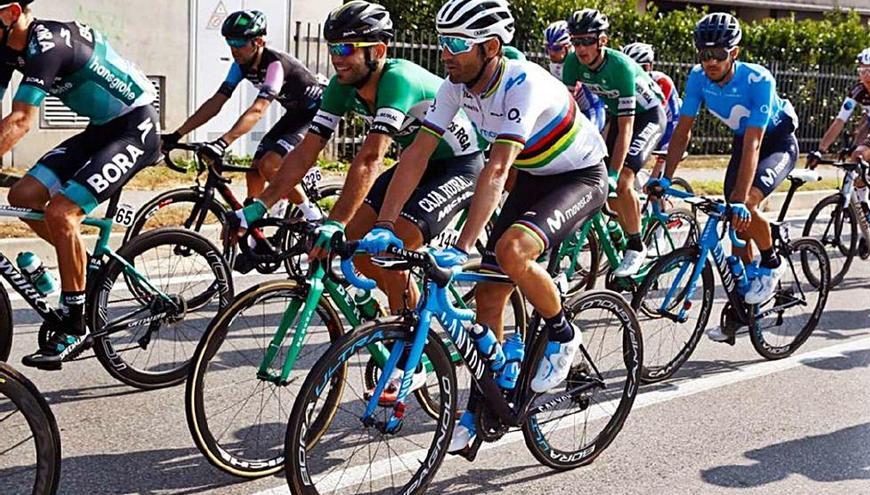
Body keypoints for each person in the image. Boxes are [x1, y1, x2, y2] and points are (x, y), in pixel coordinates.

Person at [361, 0, 608, 453]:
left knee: (512, 252)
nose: (445, 54)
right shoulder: (458, 86)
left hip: (579, 176)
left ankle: (562, 331)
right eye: (442, 42)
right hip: (535, 175)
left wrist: (465, 242)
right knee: (491, 293)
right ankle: (480, 408)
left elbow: (495, 171)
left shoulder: (522, 83)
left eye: (456, 44)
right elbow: (415, 155)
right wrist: (385, 224)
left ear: (491, 46)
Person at [230, 1, 484, 398]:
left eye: (347, 49)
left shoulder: (397, 80)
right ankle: (393, 323)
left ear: (378, 51)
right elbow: (305, 152)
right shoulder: (340, 87)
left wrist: (333, 221)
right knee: (356, 250)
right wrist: (258, 206)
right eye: (333, 49)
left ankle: (409, 356)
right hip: (413, 166)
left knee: (389, 248)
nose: (337, 59)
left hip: (457, 166)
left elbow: (369, 157)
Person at [0, 0, 160, 367]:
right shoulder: (8, 47)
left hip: (136, 127)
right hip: (102, 130)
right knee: (24, 195)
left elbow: (22, 120)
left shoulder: (48, 44)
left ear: (10, 13)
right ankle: (83, 271)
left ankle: (77, 322)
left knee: (62, 212)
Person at [656, 13, 800, 343]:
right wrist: (665, 179)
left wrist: (740, 200)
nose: (710, 62)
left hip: (775, 142)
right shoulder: (697, 78)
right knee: (736, 231)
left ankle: (772, 261)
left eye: (718, 54)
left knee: (744, 202)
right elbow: (682, 131)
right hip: (743, 142)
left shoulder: (758, 79)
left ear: (734, 52)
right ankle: (744, 308)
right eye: (703, 54)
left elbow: (754, 142)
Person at [161, 10, 326, 221]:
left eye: (239, 42)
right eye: (230, 41)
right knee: (254, 171)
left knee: (269, 165)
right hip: (295, 114)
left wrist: (223, 142)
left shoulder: (275, 64)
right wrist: (177, 135)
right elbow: (216, 102)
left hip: (315, 115)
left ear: (258, 41)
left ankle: (311, 213)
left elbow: (258, 109)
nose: (233, 48)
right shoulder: (240, 66)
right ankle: (253, 228)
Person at [562, 9, 667, 278]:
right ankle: (619, 232)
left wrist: (614, 172)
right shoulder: (573, 63)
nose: (580, 48)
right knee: (592, 177)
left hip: (648, 117)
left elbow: (627, 127)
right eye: (575, 41)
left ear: (602, 41)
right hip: (614, 115)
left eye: (587, 41)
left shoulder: (619, 67)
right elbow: (565, 110)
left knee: (621, 181)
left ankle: (636, 244)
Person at [808, 46, 870, 226]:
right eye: (862, 71)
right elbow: (839, 121)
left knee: (859, 154)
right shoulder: (858, 91)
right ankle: (865, 209)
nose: (867, 76)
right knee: (856, 158)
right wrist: (820, 150)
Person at [621, 41, 681, 182]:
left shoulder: (661, 82)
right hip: (645, 124)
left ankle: (658, 202)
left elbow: (669, 120)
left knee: (655, 186)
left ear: (649, 67)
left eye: (641, 68)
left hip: (669, 125)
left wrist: (661, 163)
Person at [543, 20, 606, 130]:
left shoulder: (578, 62)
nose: (551, 53)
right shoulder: (554, 63)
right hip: (574, 111)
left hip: (592, 110)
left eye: (557, 48)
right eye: (548, 47)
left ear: (568, 47)